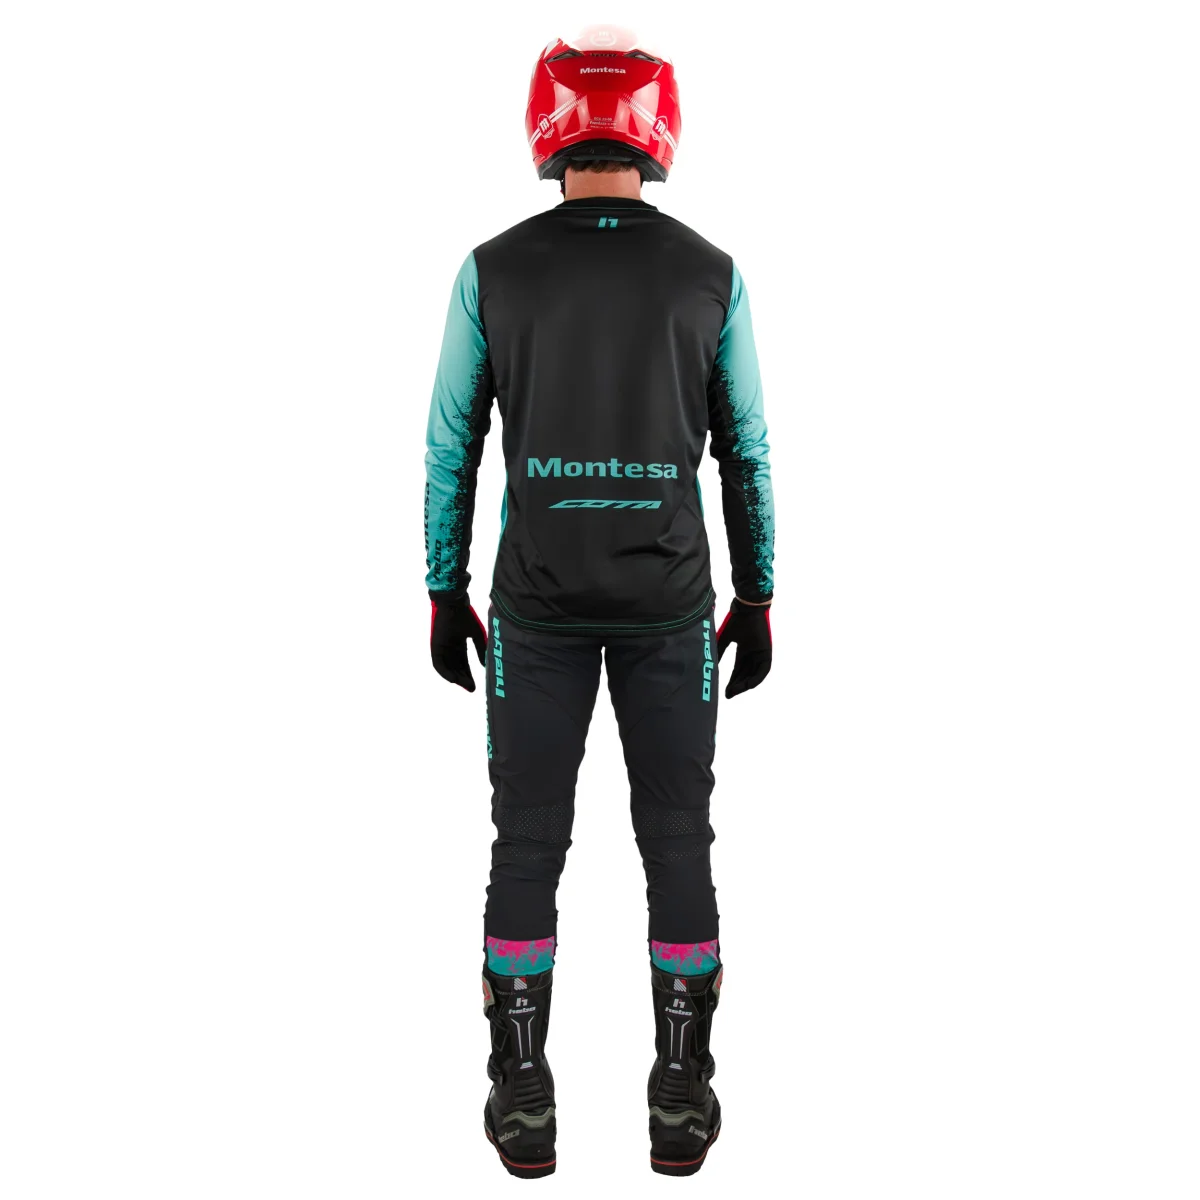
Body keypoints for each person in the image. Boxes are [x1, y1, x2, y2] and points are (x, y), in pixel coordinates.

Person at [424, 26, 774, 1179]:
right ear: (660, 126)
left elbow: (451, 447)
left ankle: (520, 1088)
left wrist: (441, 587)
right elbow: (746, 450)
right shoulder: (712, 273)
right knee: (678, 839)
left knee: (526, 841)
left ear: (547, 123)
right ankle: (682, 1089)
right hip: (671, 609)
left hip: (536, 610)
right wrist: (759, 592)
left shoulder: (491, 271)